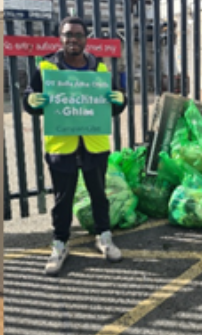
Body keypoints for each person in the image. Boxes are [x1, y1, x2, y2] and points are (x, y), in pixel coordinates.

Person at [23, 16, 127, 275]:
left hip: (94, 144)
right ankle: (60, 243)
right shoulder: (47, 67)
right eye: (68, 35)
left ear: (85, 40)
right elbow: (29, 97)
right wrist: (31, 101)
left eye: (79, 35)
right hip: (62, 145)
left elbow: (115, 104)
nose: (73, 40)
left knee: (98, 194)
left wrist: (120, 101)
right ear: (61, 38)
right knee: (62, 198)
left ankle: (104, 236)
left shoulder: (98, 68)